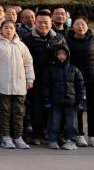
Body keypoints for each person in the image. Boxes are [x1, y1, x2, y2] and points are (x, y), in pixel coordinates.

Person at [0, 19, 35, 149]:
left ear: (15, 30)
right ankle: (6, 137)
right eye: (6, 28)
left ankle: (18, 137)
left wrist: (30, 79)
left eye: (11, 28)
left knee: (19, 112)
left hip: (20, 85)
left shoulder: (21, 45)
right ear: (1, 30)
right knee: (5, 112)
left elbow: (28, 63)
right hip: (3, 85)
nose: (9, 30)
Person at [21, 10, 66, 145]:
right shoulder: (28, 38)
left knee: (56, 108)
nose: (43, 25)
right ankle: (38, 134)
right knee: (37, 108)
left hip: (55, 80)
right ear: (35, 23)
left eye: (46, 22)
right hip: (36, 79)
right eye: (39, 22)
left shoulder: (59, 38)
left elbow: (66, 57)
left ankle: (55, 134)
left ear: (51, 22)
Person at [65, 16, 94, 148]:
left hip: (93, 80)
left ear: (87, 26)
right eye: (77, 24)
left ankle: (93, 136)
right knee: (77, 107)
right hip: (74, 80)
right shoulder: (67, 40)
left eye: (83, 24)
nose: (80, 27)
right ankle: (79, 135)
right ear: (72, 27)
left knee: (93, 108)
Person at [44, 44, 86, 150]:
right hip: (55, 101)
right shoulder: (50, 70)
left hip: (71, 101)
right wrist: (47, 98)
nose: (61, 56)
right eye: (59, 54)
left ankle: (71, 140)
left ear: (68, 55)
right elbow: (46, 85)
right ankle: (53, 140)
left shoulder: (74, 70)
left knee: (72, 123)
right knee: (54, 121)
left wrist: (81, 100)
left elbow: (80, 86)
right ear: (55, 55)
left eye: (64, 54)